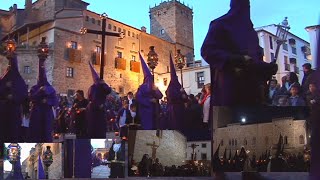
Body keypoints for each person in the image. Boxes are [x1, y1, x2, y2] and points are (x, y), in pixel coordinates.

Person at [201, 0, 278, 106]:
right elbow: (207, 50)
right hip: (231, 90)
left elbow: (255, 60)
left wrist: (267, 68)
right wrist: (234, 59)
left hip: (253, 92)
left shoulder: (251, 33)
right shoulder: (220, 24)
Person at [29, 41, 58, 142]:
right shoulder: (34, 88)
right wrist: (39, 92)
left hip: (47, 113)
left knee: (46, 133)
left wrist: (47, 101)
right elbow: (31, 98)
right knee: (36, 133)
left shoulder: (51, 88)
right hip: (36, 112)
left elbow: (55, 101)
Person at [0, 54, 28, 142]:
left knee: (14, 130)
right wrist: (5, 90)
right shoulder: (3, 79)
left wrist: (13, 97)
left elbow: (23, 94)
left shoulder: (19, 80)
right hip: (3, 109)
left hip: (15, 109)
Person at [136, 53, 163, 129]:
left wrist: (156, 90)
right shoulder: (141, 88)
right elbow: (139, 98)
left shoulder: (153, 87)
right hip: (146, 111)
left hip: (154, 111)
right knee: (148, 127)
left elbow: (160, 96)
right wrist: (150, 100)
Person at [86, 62, 112, 138]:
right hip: (93, 111)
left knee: (100, 130)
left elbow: (108, 90)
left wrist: (103, 84)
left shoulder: (102, 86)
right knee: (93, 129)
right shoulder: (92, 88)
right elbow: (90, 98)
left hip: (100, 111)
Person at [165, 54, 188, 130]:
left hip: (180, 109)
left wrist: (184, 95)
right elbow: (171, 97)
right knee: (175, 126)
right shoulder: (170, 88)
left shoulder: (179, 85)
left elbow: (185, 97)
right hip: (173, 110)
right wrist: (180, 94)